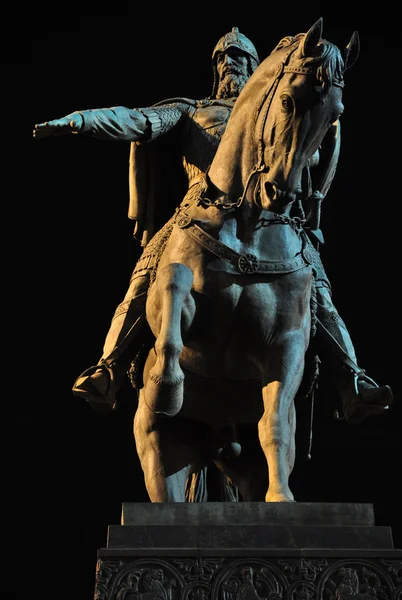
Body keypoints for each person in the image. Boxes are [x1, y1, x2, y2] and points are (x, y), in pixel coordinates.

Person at [33, 27, 392, 425]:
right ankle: (109, 367)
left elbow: (306, 152)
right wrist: (83, 120)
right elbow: (138, 121)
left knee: (319, 290)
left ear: (257, 67)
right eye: (222, 58)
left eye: (238, 58)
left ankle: (352, 381)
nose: (228, 65)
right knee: (146, 276)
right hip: (197, 213)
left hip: (274, 217)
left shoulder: (280, 111)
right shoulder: (192, 110)